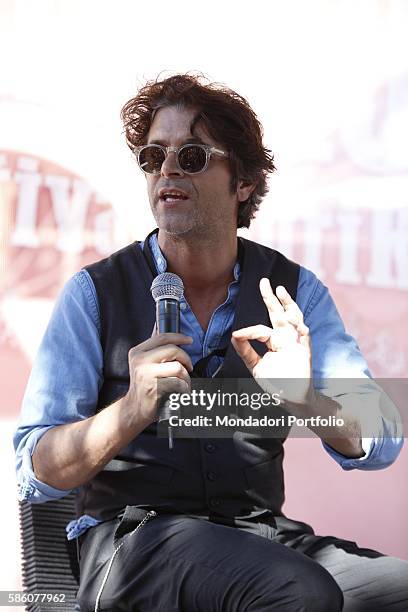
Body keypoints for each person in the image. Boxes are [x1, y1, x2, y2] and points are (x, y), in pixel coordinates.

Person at [14, 73, 408, 612]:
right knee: (296, 591)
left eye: (192, 155)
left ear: (242, 182)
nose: (168, 169)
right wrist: (129, 411)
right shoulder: (94, 293)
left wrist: (304, 400)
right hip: (134, 546)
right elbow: (34, 471)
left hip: (261, 537)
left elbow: (381, 436)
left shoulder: (293, 292)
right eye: (154, 157)